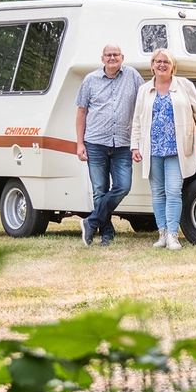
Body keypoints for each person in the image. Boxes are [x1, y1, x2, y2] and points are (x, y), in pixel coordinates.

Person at [130, 49, 196, 250]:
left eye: (166, 62)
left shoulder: (185, 86)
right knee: (157, 193)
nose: (162, 65)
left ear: (173, 66)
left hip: (177, 149)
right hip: (152, 149)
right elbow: (137, 120)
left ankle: (173, 235)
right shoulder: (144, 89)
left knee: (173, 192)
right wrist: (134, 145)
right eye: (158, 61)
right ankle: (162, 234)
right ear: (152, 65)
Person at [75, 44, 144, 246]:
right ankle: (106, 234)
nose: (112, 58)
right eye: (108, 55)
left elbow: (145, 99)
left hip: (123, 142)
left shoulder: (132, 76)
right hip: (95, 142)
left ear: (122, 57)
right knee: (100, 190)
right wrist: (80, 143)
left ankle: (91, 222)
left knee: (123, 186)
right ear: (102, 58)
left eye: (115, 55)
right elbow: (81, 113)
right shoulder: (90, 80)